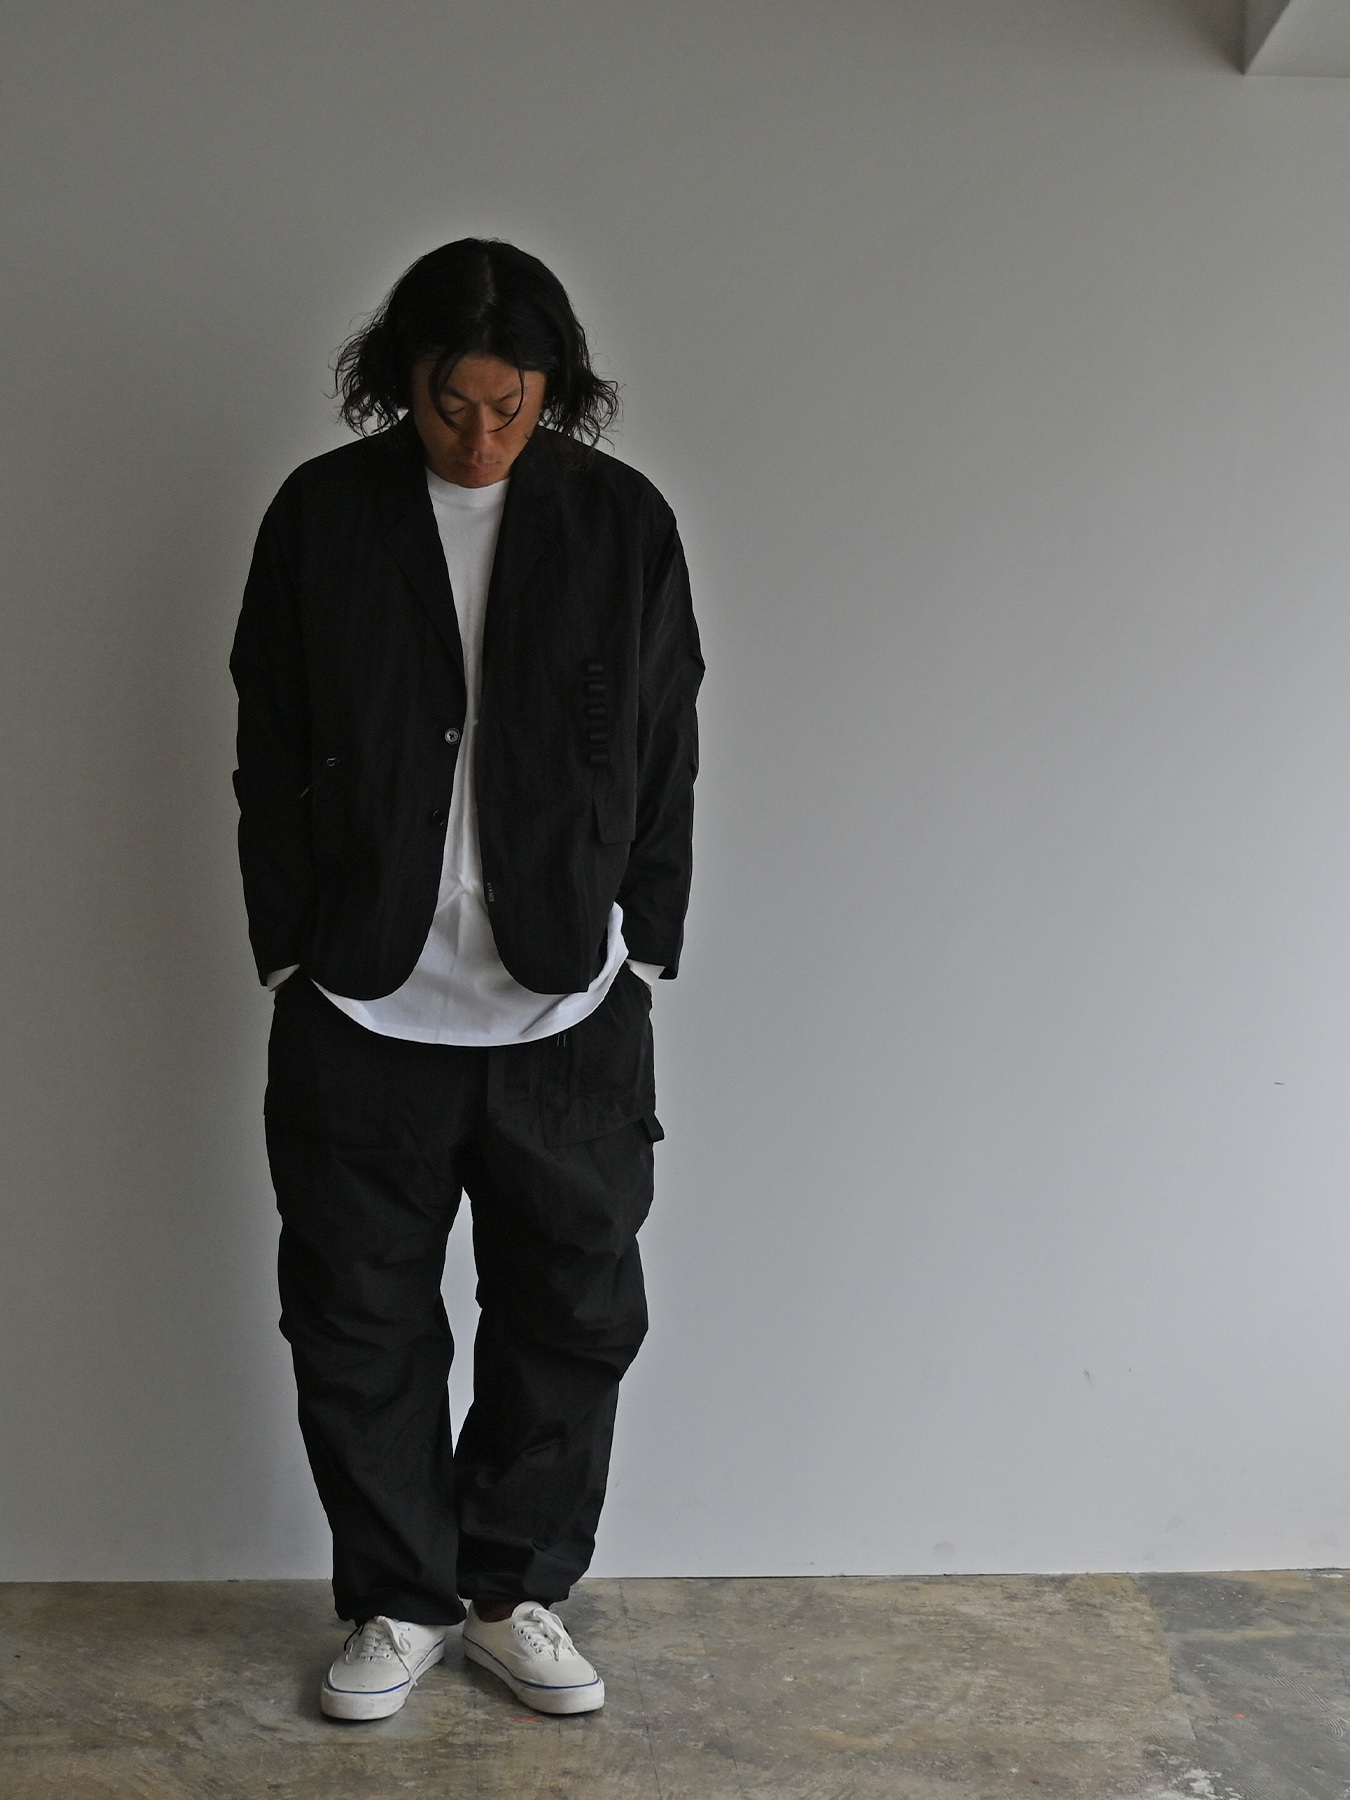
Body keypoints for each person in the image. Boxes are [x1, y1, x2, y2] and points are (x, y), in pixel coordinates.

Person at [230, 238, 702, 1721]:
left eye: (512, 408)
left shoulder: (621, 522)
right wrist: (289, 942)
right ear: (403, 380)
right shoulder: (323, 515)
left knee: (573, 1312)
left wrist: (646, 939)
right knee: (355, 1313)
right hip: (361, 997)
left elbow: (668, 738)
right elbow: (266, 736)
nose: (481, 439)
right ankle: (399, 1599)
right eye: (451, 406)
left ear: (554, 389)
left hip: (568, 1003)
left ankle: (510, 1593)